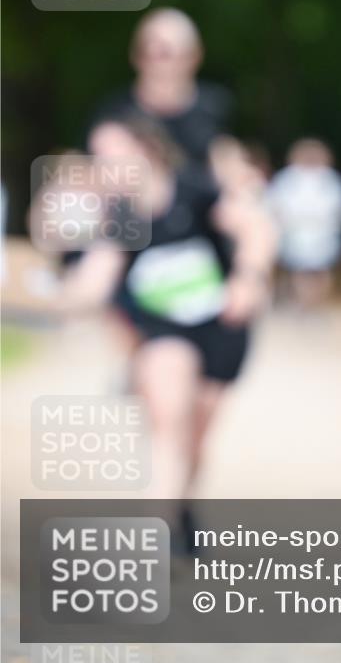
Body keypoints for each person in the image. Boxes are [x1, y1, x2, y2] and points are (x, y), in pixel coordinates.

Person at [58, 115, 275, 539]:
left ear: (146, 150)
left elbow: (256, 228)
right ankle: (159, 527)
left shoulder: (196, 189)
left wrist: (249, 278)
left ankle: (181, 505)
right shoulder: (119, 217)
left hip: (221, 325)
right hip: (162, 330)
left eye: (111, 154)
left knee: (196, 432)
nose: (103, 165)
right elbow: (96, 278)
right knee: (168, 419)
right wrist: (54, 300)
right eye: (97, 156)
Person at [89, 8, 233, 173]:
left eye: (165, 54)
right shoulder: (112, 112)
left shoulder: (216, 109)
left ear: (194, 57)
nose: (155, 63)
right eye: (146, 52)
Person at [268, 138, 341, 307]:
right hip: (297, 234)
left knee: (320, 271)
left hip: (323, 234)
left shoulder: (329, 179)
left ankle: (316, 303)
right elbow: (275, 206)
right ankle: (304, 302)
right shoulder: (288, 178)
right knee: (300, 271)